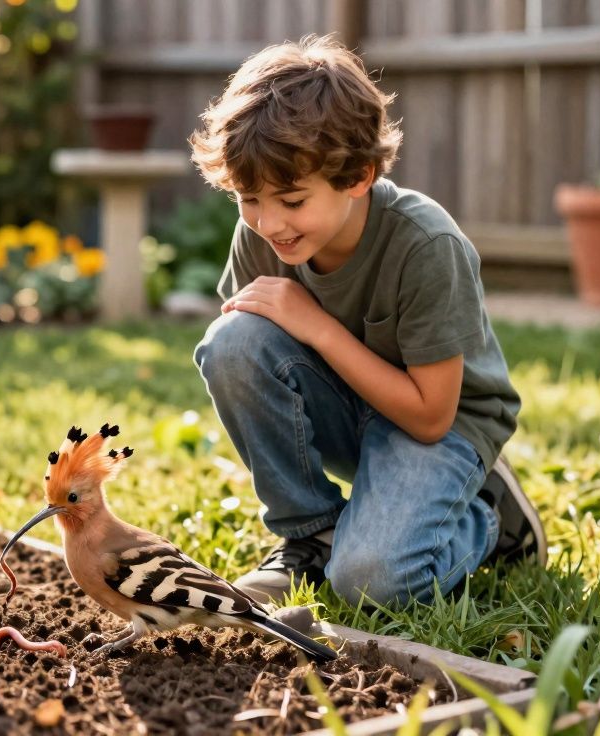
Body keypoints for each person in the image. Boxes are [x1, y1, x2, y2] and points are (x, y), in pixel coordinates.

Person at [188, 34, 545, 607]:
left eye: (292, 200)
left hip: (440, 426)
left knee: (369, 585)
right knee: (231, 342)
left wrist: (316, 326)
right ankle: (311, 535)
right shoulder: (259, 233)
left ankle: (485, 518)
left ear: (358, 176)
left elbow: (431, 418)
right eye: (247, 198)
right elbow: (246, 363)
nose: (269, 222)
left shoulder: (426, 244)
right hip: (350, 409)